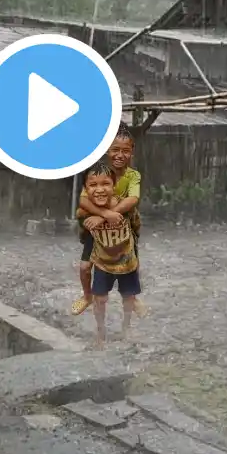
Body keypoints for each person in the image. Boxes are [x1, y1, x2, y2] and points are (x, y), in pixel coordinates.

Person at [70, 123, 146, 317]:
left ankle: (133, 299)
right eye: (115, 150)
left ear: (132, 153)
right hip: (95, 231)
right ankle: (87, 296)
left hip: (123, 229)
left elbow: (133, 199)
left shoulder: (133, 176)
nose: (120, 155)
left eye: (125, 151)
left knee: (131, 263)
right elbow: (82, 201)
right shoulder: (98, 172)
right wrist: (104, 215)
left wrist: (105, 215)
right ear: (107, 151)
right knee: (85, 266)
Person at [79, 160, 141, 349]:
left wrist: (104, 215)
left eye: (105, 184)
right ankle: (100, 332)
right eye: (93, 185)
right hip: (103, 261)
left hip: (126, 260)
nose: (99, 190)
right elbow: (80, 213)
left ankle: (126, 327)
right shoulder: (85, 210)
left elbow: (136, 225)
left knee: (128, 296)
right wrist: (100, 215)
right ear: (85, 189)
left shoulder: (124, 205)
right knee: (100, 298)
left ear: (114, 186)